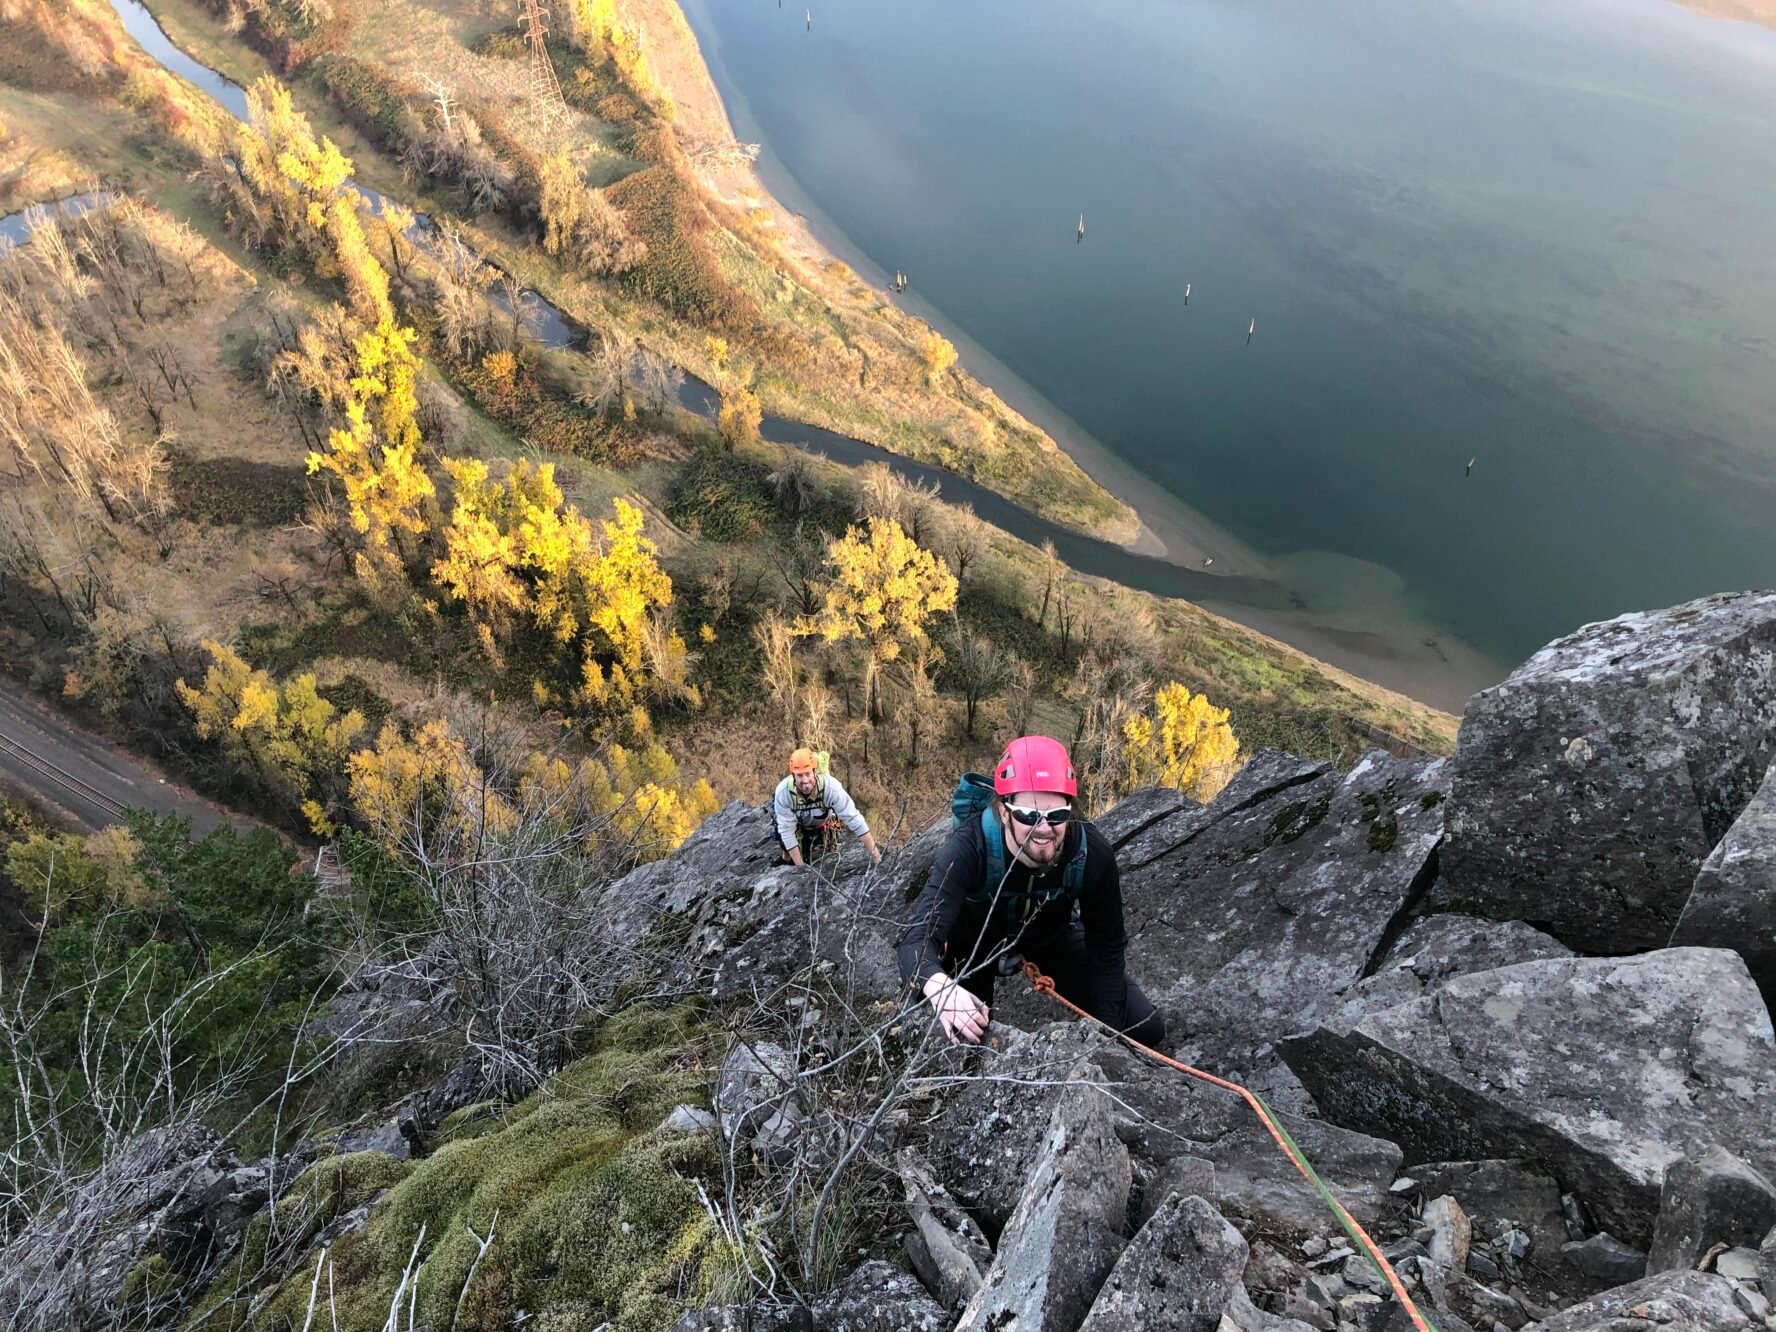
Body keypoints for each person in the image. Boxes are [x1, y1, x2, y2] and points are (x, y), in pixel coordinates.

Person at [896, 735, 1165, 1047]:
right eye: (1028, 815)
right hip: (972, 947)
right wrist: (942, 988)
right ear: (1004, 811)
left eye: (1057, 815)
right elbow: (916, 939)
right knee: (963, 1039)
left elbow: (1107, 948)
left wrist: (1106, 1037)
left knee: (1143, 1029)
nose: (1043, 829)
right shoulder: (970, 848)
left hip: (1050, 938)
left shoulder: (1089, 854)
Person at [773, 748, 881, 867]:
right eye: (799, 775)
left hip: (821, 825)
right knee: (789, 849)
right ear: (793, 775)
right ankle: (786, 856)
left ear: (815, 771)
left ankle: (812, 843)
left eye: (808, 774)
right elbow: (786, 830)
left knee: (811, 854)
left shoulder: (831, 788)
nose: (805, 780)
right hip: (799, 826)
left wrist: (876, 856)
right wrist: (801, 868)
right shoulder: (784, 792)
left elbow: (854, 819)